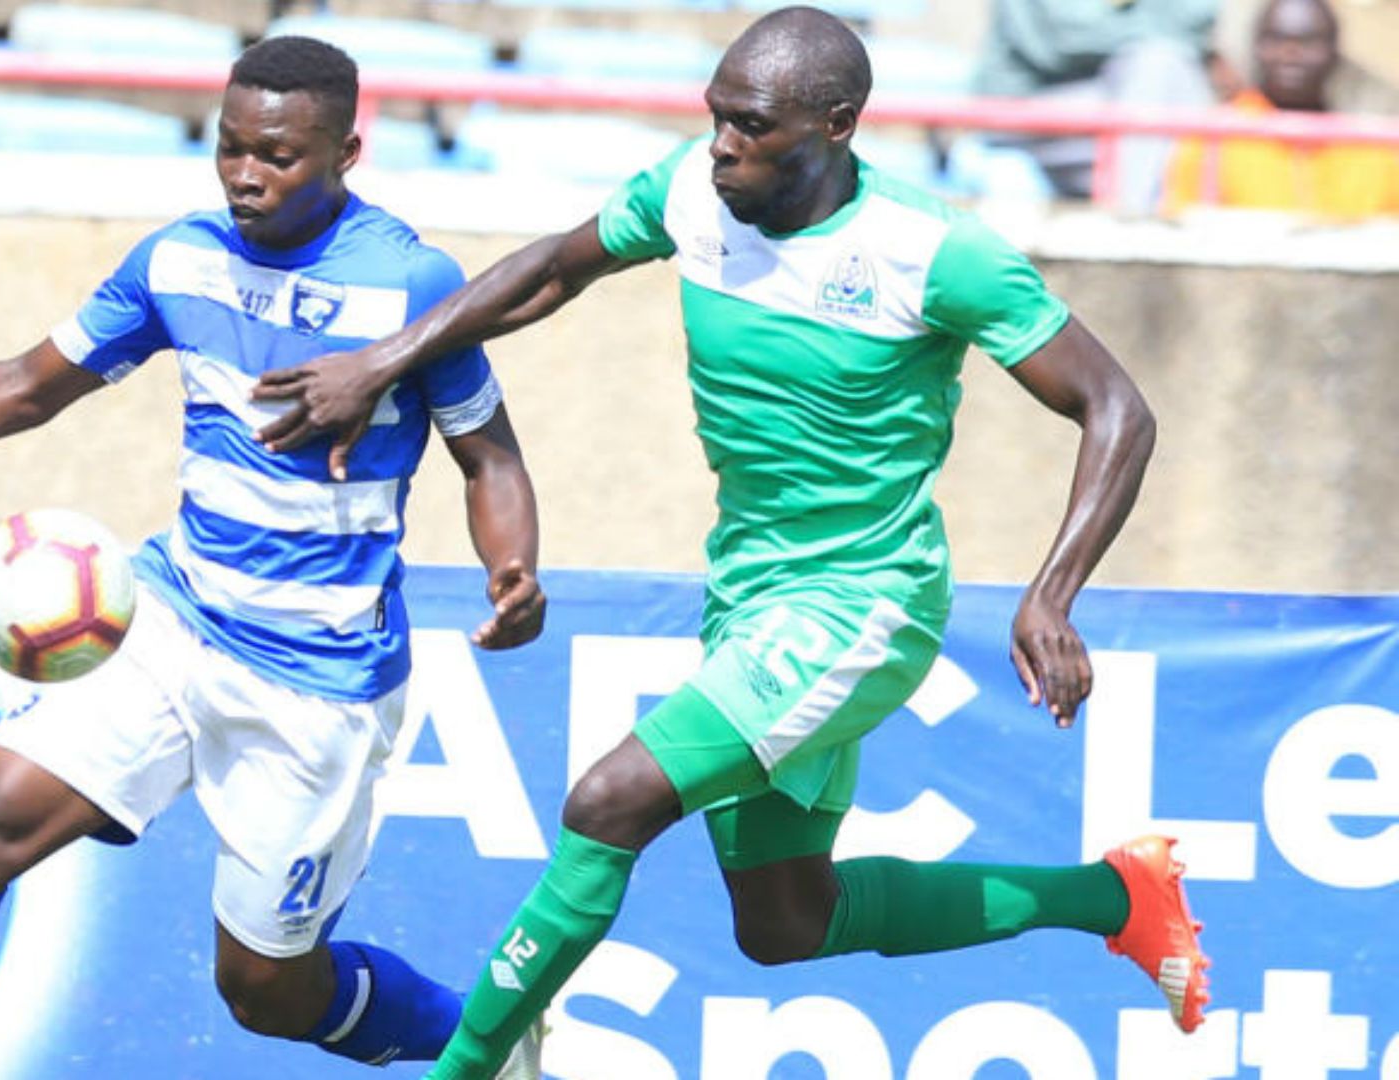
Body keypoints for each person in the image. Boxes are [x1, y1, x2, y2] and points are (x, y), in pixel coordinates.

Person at [249, 8, 1210, 1076]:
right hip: (751, 594)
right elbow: (553, 270)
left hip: (864, 604)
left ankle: (466, 1067)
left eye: (751, 125)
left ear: (836, 126)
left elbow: (1117, 409)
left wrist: (1052, 594)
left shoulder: (935, 253)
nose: (721, 145)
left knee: (608, 802)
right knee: (786, 920)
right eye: (715, 116)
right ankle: (1117, 896)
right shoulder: (690, 195)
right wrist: (383, 360)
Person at [0, 36, 550, 1080]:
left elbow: (490, 458)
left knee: (266, 991)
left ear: (348, 151)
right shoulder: (177, 259)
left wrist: (512, 568)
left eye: (279, 156)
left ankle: (490, 1043)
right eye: (230, 147)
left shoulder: (409, 284)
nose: (246, 175)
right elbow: (26, 387)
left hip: (320, 679)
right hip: (173, 615)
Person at [971, 0, 1227, 212]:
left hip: (1120, 120)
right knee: (1155, 67)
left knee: (1174, 74)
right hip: (1028, 111)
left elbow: (1196, 21)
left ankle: (1170, 214)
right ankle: (1131, 220)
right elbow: (1065, 39)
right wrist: (1153, 25)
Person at [1164, 0, 1399, 218]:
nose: (1290, 53)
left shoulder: (1370, 146)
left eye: (1308, 42)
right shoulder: (1213, 138)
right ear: (1256, 47)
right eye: (1276, 39)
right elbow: (1180, 221)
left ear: (1334, 52)